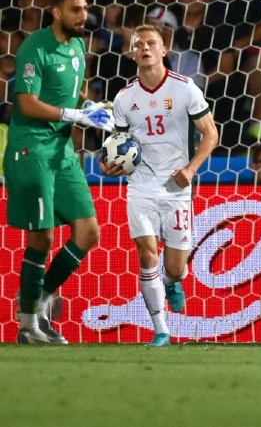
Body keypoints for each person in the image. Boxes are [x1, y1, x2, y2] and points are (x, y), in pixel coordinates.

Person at [5, 0, 115, 344]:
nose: (83, 16)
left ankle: (40, 298)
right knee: (43, 237)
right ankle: (28, 326)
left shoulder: (79, 46)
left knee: (89, 232)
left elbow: (76, 92)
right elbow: (26, 103)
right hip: (32, 149)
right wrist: (71, 114)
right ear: (56, 12)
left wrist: (90, 107)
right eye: (75, 10)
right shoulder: (34, 48)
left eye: (84, 9)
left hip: (63, 151)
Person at [100, 25, 218, 347]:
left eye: (151, 43)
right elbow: (117, 144)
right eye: (139, 45)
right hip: (140, 186)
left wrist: (191, 169)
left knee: (175, 268)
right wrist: (107, 165)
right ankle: (161, 328)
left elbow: (211, 133)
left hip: (176, 188)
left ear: (164, 50)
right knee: (146, 251)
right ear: (132, 53)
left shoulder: (185, 88)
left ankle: (172, 282)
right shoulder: (124, 98)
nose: (145, 49)